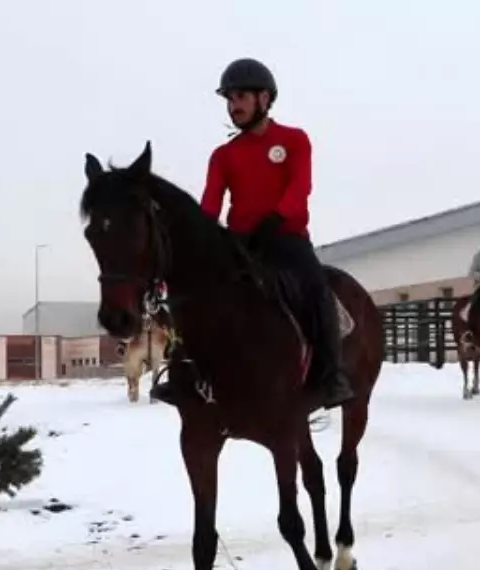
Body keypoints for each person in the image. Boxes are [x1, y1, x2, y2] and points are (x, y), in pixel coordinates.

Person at [149, 57, 354, 410]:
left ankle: (330, 374)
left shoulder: (293, 139)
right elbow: (210, 206)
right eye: (229, 99)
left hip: (287, 238)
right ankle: (183, 369)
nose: (233, 106)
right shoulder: (223, 156)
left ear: (264, 98)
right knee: (199, 294)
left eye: (241, 96)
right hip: (241, 244)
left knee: (316, 289)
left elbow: (301, 186)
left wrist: (276, 218)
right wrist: (194, 242)